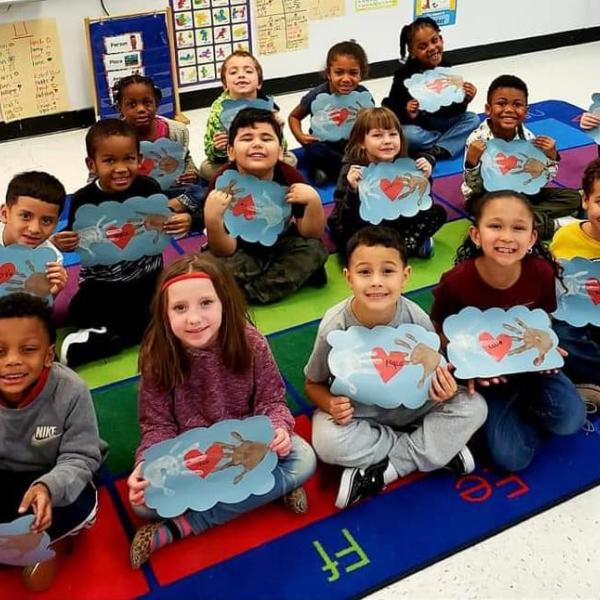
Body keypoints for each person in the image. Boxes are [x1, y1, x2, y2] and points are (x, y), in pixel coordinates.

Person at [127, 254, 316, 568]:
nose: (194, 318)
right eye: (179, 308)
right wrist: (147, 465)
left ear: (224, 302)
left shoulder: (251, 343)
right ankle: (270, 490)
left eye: (205, 303)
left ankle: (184, 526)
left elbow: (272, 402)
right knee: (144, 504)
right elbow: (157, 427)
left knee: (304, 459)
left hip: (248, 451)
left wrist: (278, 430)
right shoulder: (157, 358)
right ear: (164, 313)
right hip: (195, 462)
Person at [304, 226, 487, 509]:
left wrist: (445, 388)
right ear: (348, 277)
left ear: (406, 276)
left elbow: (435, 373)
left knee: (475, 406)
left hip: (412, 407)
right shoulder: (335, 325)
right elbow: (312, 384)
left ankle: (386, 469)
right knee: (327, 442)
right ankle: (434, 449)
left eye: (387, 271)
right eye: (365, 272)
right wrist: (330, 403)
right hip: (361, 416)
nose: (376, 282)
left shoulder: (415, 317)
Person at [431, 191, 585, 472]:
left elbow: (545, 318)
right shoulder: (457, 282)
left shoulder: (540, 272)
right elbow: (441, 332)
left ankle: (523, 407)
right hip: (487, 378)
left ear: (532, 238)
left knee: (571, 420)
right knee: (512, 459)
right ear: (476, 235)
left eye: (518, 228)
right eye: (495, 226)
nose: (506, 237)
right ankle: (496, 421)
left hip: (533, 370)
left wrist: (546, 344)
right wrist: (468, 367)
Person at [53, 119, 192, 367]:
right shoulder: (84, 199)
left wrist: (183, 222)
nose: (121, 168)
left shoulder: (149, 187)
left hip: (147, 280)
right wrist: (64, 241)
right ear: (91, 164)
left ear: (139, 159)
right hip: (102, 284)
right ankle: (121, 332)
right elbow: (77, 237)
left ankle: (109, 338)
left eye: (128, 159)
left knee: (164, 310)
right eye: (109, 161)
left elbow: (165, 223)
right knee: (80, 310)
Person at [0, 293, 104, 589]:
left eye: (28, 349)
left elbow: (81, 456)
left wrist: (48, 487)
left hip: (53, 475)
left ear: (48, 355)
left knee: (82, 506)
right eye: (0, 351)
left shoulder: (71, 391)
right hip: (6, 477)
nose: (12, 361)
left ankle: (47, 544)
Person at [204, 108, 328, 304]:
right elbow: (224, 250)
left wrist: (313, 201)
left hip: (282, 241)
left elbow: (310, 233)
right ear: (231, 152)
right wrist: (212, 220)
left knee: (315, 250)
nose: (257, 144)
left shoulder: (290, 177)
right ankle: (271, 281)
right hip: (238, 248)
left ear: (280, 151)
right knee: (212, 269)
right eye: (246, 138)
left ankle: (250, 292)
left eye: (266, 138)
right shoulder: (222, 182)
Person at [462, 75, 581, 239]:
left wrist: (551, 156)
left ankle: (525, 217)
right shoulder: (477, 140)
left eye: (517, 105)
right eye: (501, 103)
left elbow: (541, 181)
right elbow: (474, 188)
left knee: (573, 197)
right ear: (488, 109)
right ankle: (552, 224)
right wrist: (471, 163)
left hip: (521, 193)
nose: (509, 110)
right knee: (491, 212)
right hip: (485, 196)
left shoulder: (529, 139)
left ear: (526, 111)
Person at [328, 106, 446, 260]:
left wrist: (424, 177)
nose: (387, 141)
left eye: (393, 134)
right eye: (377, 135)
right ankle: (403, 246)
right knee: (349, 240)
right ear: (361, 142)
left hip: (396, 220)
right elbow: (345, 219)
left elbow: (420, 204)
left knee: (437, 213)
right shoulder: (353, 170)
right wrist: (354, 190)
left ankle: (401, 246)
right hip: (362, 223)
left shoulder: (405, 163)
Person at [382, 17, 479, 163]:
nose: (432, 48)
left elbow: (455, 110)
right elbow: (389, 108)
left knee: (472, 119)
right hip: (422, 128)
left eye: (435, 41)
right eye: (423, 46)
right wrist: (407, 111)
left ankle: (438, 149)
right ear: (412, 52)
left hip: (445, 122)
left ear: (441, 39)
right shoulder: (404, 75)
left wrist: (464, 99)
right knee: (406, 134)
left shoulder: (446, 67)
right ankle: (448, 142)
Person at [113, 74, 205, 221]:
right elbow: (98, 177)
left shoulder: (177, 131)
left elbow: (185, 158)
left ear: (156, 103)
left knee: (201, 191)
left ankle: (161, 211)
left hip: (170, 191)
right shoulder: (112, 138)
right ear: (120, 108)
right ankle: (162, 213)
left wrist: (190, 173)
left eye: (147, 103)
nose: (141, 109)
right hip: (133, 193)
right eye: (132, 105)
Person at [201, 50, 297, 181]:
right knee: (206, 168)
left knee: (290, 159)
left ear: (259, 83)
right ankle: (253, 176)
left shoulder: (268, 106)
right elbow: (210, 152)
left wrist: (279, 130)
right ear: (225, 85)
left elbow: (282, 148)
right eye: (233, 72)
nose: (241, 76)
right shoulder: (219, 108)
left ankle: (251, 176)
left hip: (262, 155)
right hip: (233, 160)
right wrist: (218, 148)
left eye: (248, 71)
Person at [550, 158, 600, 404]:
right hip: (573, 313)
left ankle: (585, 383)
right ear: (585, 201)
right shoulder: (565, 235)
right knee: (559, 339)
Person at [288, 40, 374, 185]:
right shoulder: (317, 95)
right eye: (339, 72)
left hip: (350, 145)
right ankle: (335, 170)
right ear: (329, 73)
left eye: (353, 73)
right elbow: (294, 116)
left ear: (361, 74)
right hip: (324, 145)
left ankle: (336, 171)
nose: (346, 79)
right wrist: (300, 136)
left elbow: (371, 123)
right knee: (315, 150)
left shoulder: (363, 95)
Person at [1, 171, 68, 297]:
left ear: (56, 224)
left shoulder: (51, 259)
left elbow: (37, 310)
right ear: (5, 214)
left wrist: (52, 293)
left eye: (47, 221)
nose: (34, 229)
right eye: (25, 216)